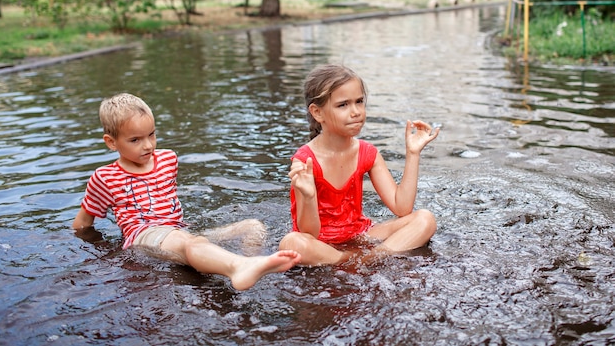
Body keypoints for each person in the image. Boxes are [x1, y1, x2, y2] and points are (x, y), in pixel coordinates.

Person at [72, 93, 301, 290]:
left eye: (151, 134)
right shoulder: (105, 178)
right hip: (143, 237)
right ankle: (238, 267)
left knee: (252, 227)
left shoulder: (167, 159)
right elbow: (82, 223)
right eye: (135, 140)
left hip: (177, 232)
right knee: (190, 243)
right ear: (112, 142)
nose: (148, 145)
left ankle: (253, 268)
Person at [278, 64, 440, 266]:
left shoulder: (368, 153)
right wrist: (309, 196)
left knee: (425, 219)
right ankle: (350, 259)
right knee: (292, 243)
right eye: (343, 105)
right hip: (321, 244)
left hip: (361, 234)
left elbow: (402, 207)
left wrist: (413, 153)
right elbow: (309, 233)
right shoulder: (305, 160)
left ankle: (369, 257)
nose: (355, 112)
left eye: (359, 102)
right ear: (317, 113)